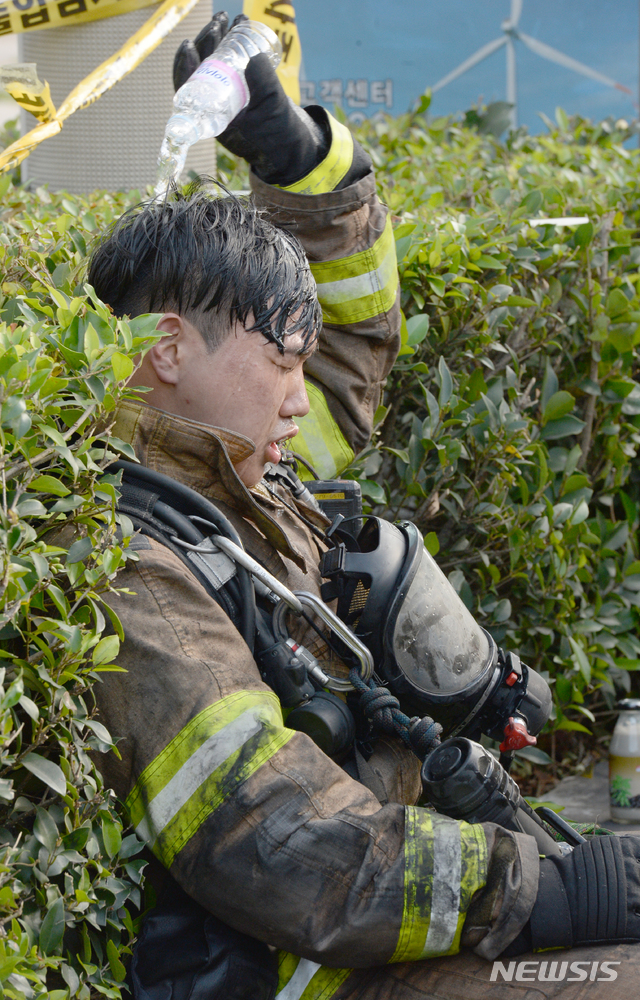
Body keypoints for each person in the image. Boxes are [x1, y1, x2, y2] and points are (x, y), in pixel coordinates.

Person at [86, 13, 640, 999]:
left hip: (387, 919)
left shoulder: (241, 474)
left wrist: (297, 157)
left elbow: (351, 343)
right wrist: (540, 891)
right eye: (280, 365)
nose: (308, 396)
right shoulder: (138, 571)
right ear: (169, 350)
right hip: (311, 968)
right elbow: (277, 839)